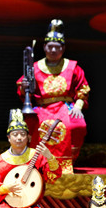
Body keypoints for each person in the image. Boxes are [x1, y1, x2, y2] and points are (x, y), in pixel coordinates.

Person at [17, 19, 90, 174]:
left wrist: (78, 106)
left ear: (63, 48)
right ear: (44, 47)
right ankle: (37, 162)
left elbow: (83, 89)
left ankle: (66, 162)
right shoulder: (35, 67)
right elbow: (22, 89)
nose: (53, 50)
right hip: (42, 107)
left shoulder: (73, 67)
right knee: (30, 123)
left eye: (57, 47)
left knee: (78, 125)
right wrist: (24, 87)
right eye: (50, 46)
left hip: (66, 106)